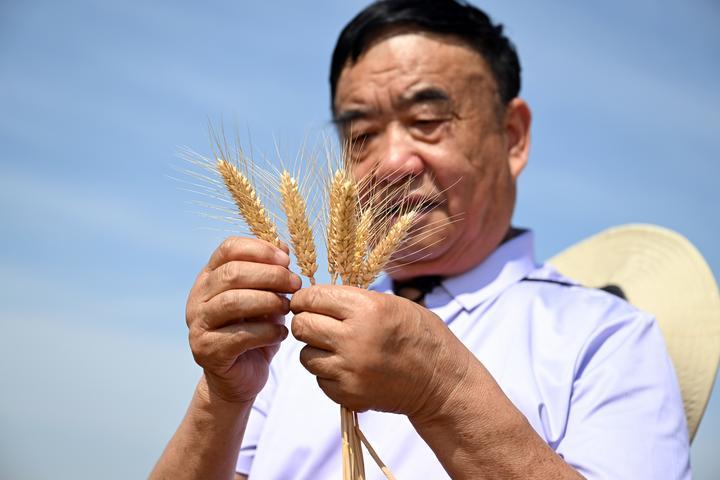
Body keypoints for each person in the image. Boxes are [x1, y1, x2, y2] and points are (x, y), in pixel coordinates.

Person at [151, 1, 691, 478]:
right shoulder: (290, 336)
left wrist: (441, 389)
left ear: (513, 137)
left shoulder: (606, 339)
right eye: (361, 134)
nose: (391, 163)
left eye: (428, 119)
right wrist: (220, 397)